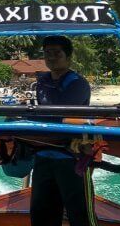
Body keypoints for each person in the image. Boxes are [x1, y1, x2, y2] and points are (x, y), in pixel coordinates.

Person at [30, 35, 93, 226]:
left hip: (71, 158)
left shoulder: (77, 83)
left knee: (79, 213)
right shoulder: (42, 81)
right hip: (43, 155)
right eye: (47, 53)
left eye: (57, 53)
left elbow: (59, 113)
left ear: (68, 56)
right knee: (41, 213)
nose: (51, 57)